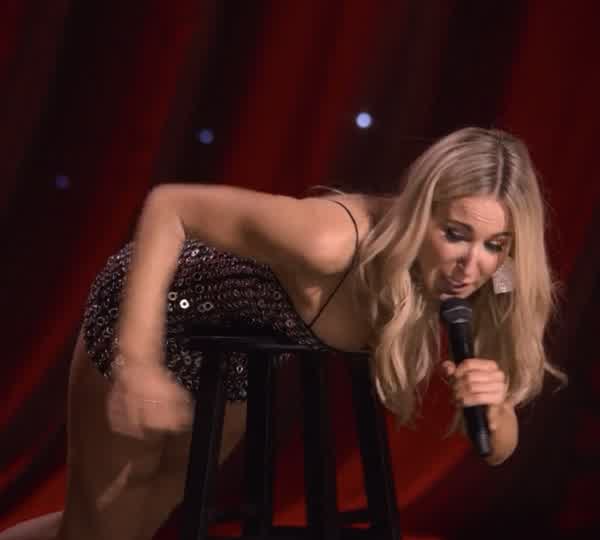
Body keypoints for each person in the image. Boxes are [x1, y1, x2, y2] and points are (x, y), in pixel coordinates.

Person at [0, 127, 564, 540]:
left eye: (496, 245)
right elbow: (170, 206)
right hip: (161, 308)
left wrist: (495, 409)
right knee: (102, 530)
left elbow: (496, 452)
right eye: (455, 234)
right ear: (421, 214)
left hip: (237, 347)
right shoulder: (330, 241)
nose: (472, 263)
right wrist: (138, 362)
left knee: (134, 525)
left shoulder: (492, 282)